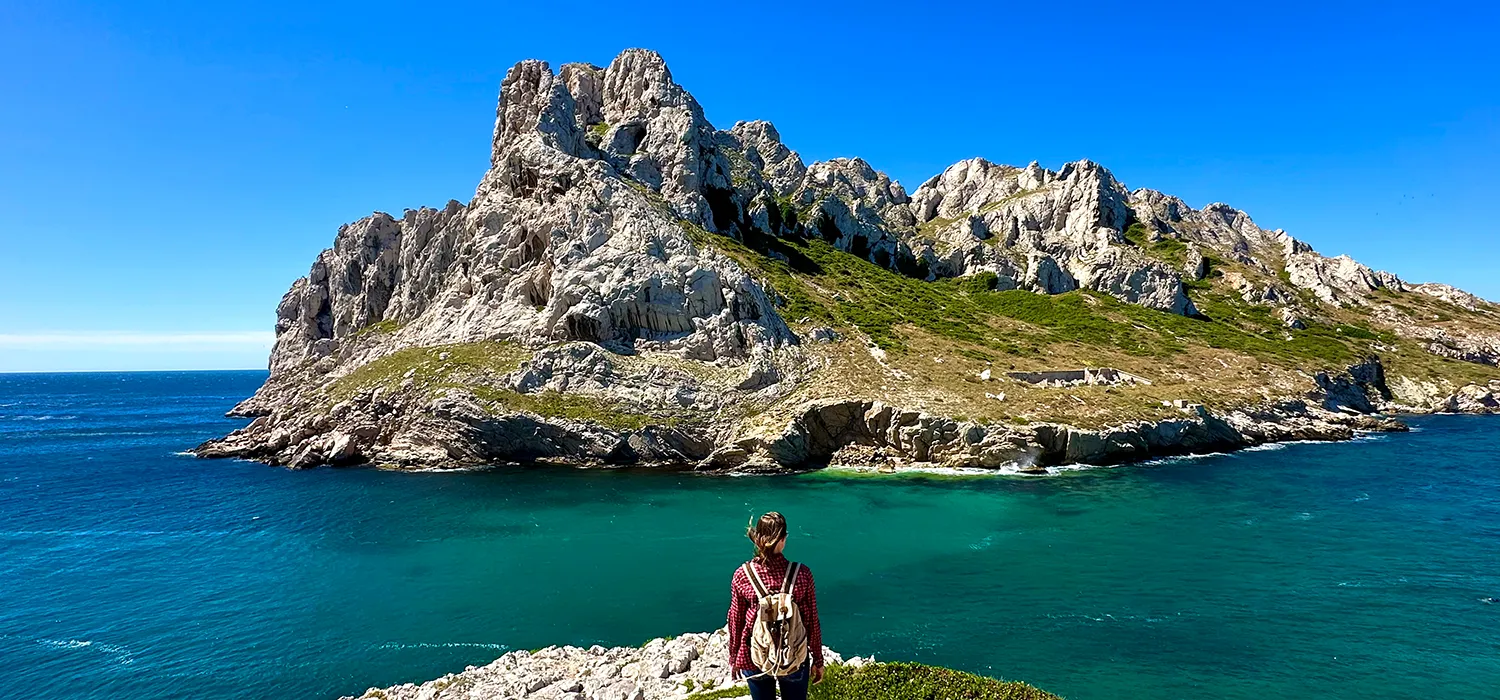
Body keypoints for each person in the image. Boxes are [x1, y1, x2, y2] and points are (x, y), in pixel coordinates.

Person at [727, 512, 824, 700]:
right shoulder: (802, 574)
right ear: (783, 539)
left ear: (756, 539)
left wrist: (735, 658)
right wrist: (818, 660)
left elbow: (735, 620)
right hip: (794, 656)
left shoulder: (743, 575)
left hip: (754, 656)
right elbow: (811, 620)